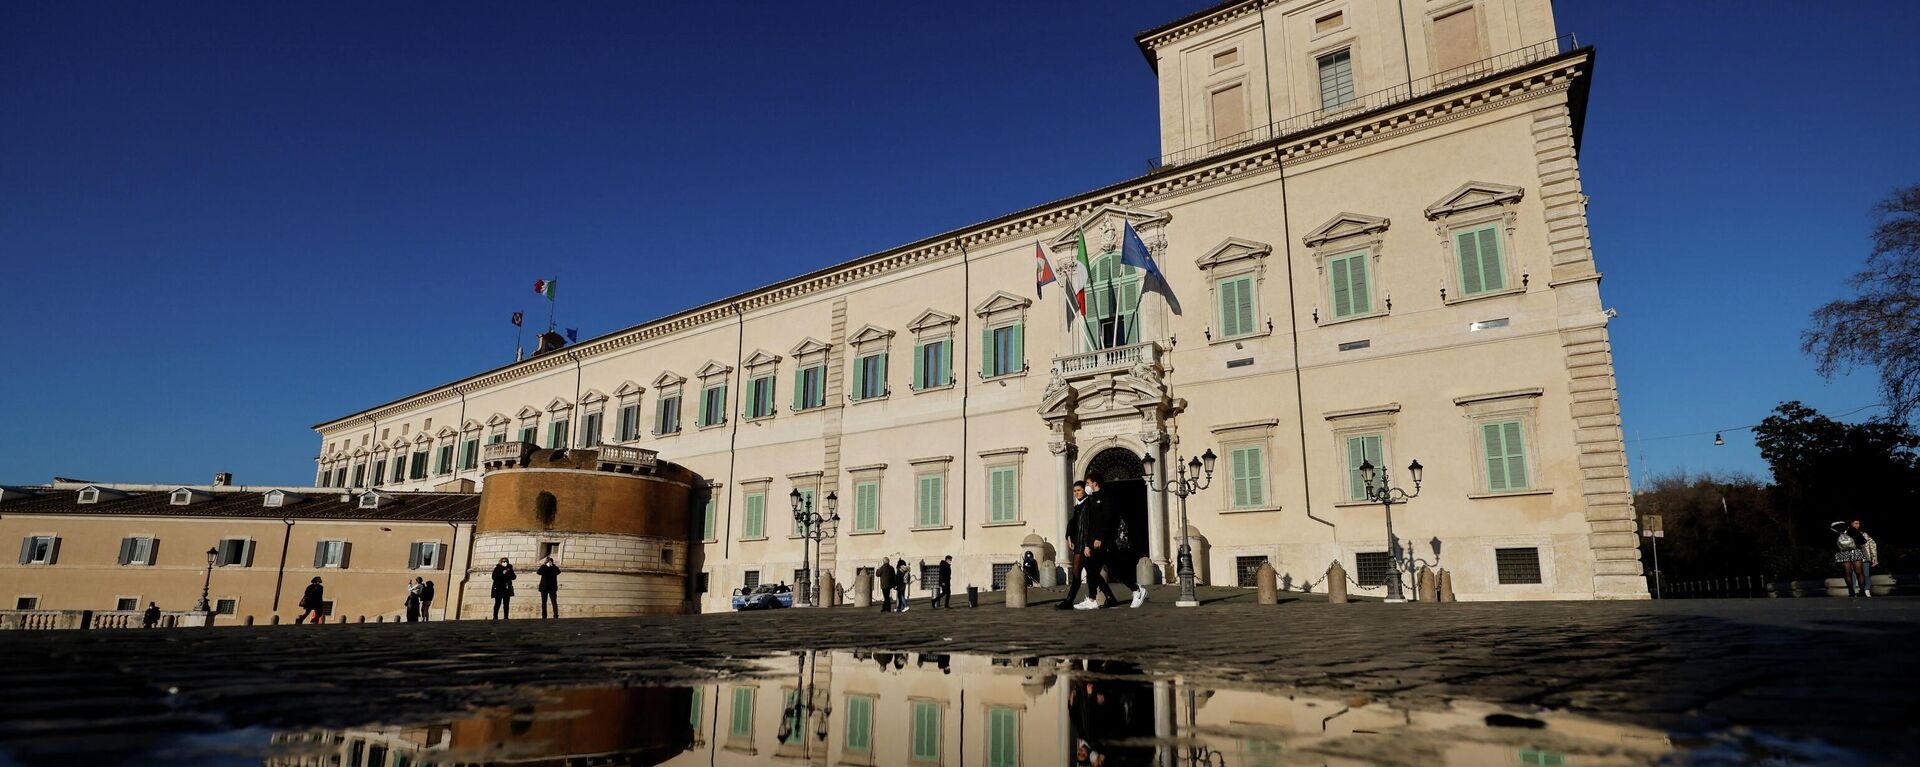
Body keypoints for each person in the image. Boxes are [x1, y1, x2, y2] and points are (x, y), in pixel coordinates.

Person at [1073, 476, 1117, 610]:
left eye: (1087, 483)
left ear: (1094, 483)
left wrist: (1097, 538)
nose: (1086, 486)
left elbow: (1102, 522)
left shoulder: (1101, 499)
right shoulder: (1090, 501)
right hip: (1091, 542)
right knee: (1092, 571)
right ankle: (1100, 598)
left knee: (1096, 570)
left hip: (1097, 542)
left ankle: (1136, 590)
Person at [1057, 481, 1091, 610]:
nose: (1077, 493)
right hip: (1079, 543)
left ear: (1085, 490)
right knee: (1093, 574)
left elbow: (1088, 527)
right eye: (1075, 491)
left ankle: (1069, 601)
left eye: (1079, 490)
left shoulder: (1087, 505)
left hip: (1083, 544)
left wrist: (1087, 545)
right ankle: (1110, 598)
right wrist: (1068, 536)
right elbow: (1072, 523)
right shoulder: (1079, 506)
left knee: (1077, 571)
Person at [1853, 520, 1880, 597]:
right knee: (1854, 574)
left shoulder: (1864, 534)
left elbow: (1872, 545)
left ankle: (1866, 590)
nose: (1858, 525)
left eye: (1858, 523)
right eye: (1855, 523)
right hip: (1854, 557)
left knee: (1866, 574)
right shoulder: (1848, 535)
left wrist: (1874, 557)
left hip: (1864, 557)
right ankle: (1856, 590)